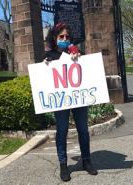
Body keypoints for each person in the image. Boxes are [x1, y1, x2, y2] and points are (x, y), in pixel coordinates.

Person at [43, 22, 98, 182]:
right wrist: (45, 67)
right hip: (61, 101)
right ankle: (63, 165)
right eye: (61, 36)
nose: (65, 39)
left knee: (83, 129)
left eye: (67, 36)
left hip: (78, 99)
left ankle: (86, 161)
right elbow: (45, 79)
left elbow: (86, 70)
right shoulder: (49, 56)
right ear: (55, 37)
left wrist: (78, 58)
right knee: (62, 131)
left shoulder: (76, 51)